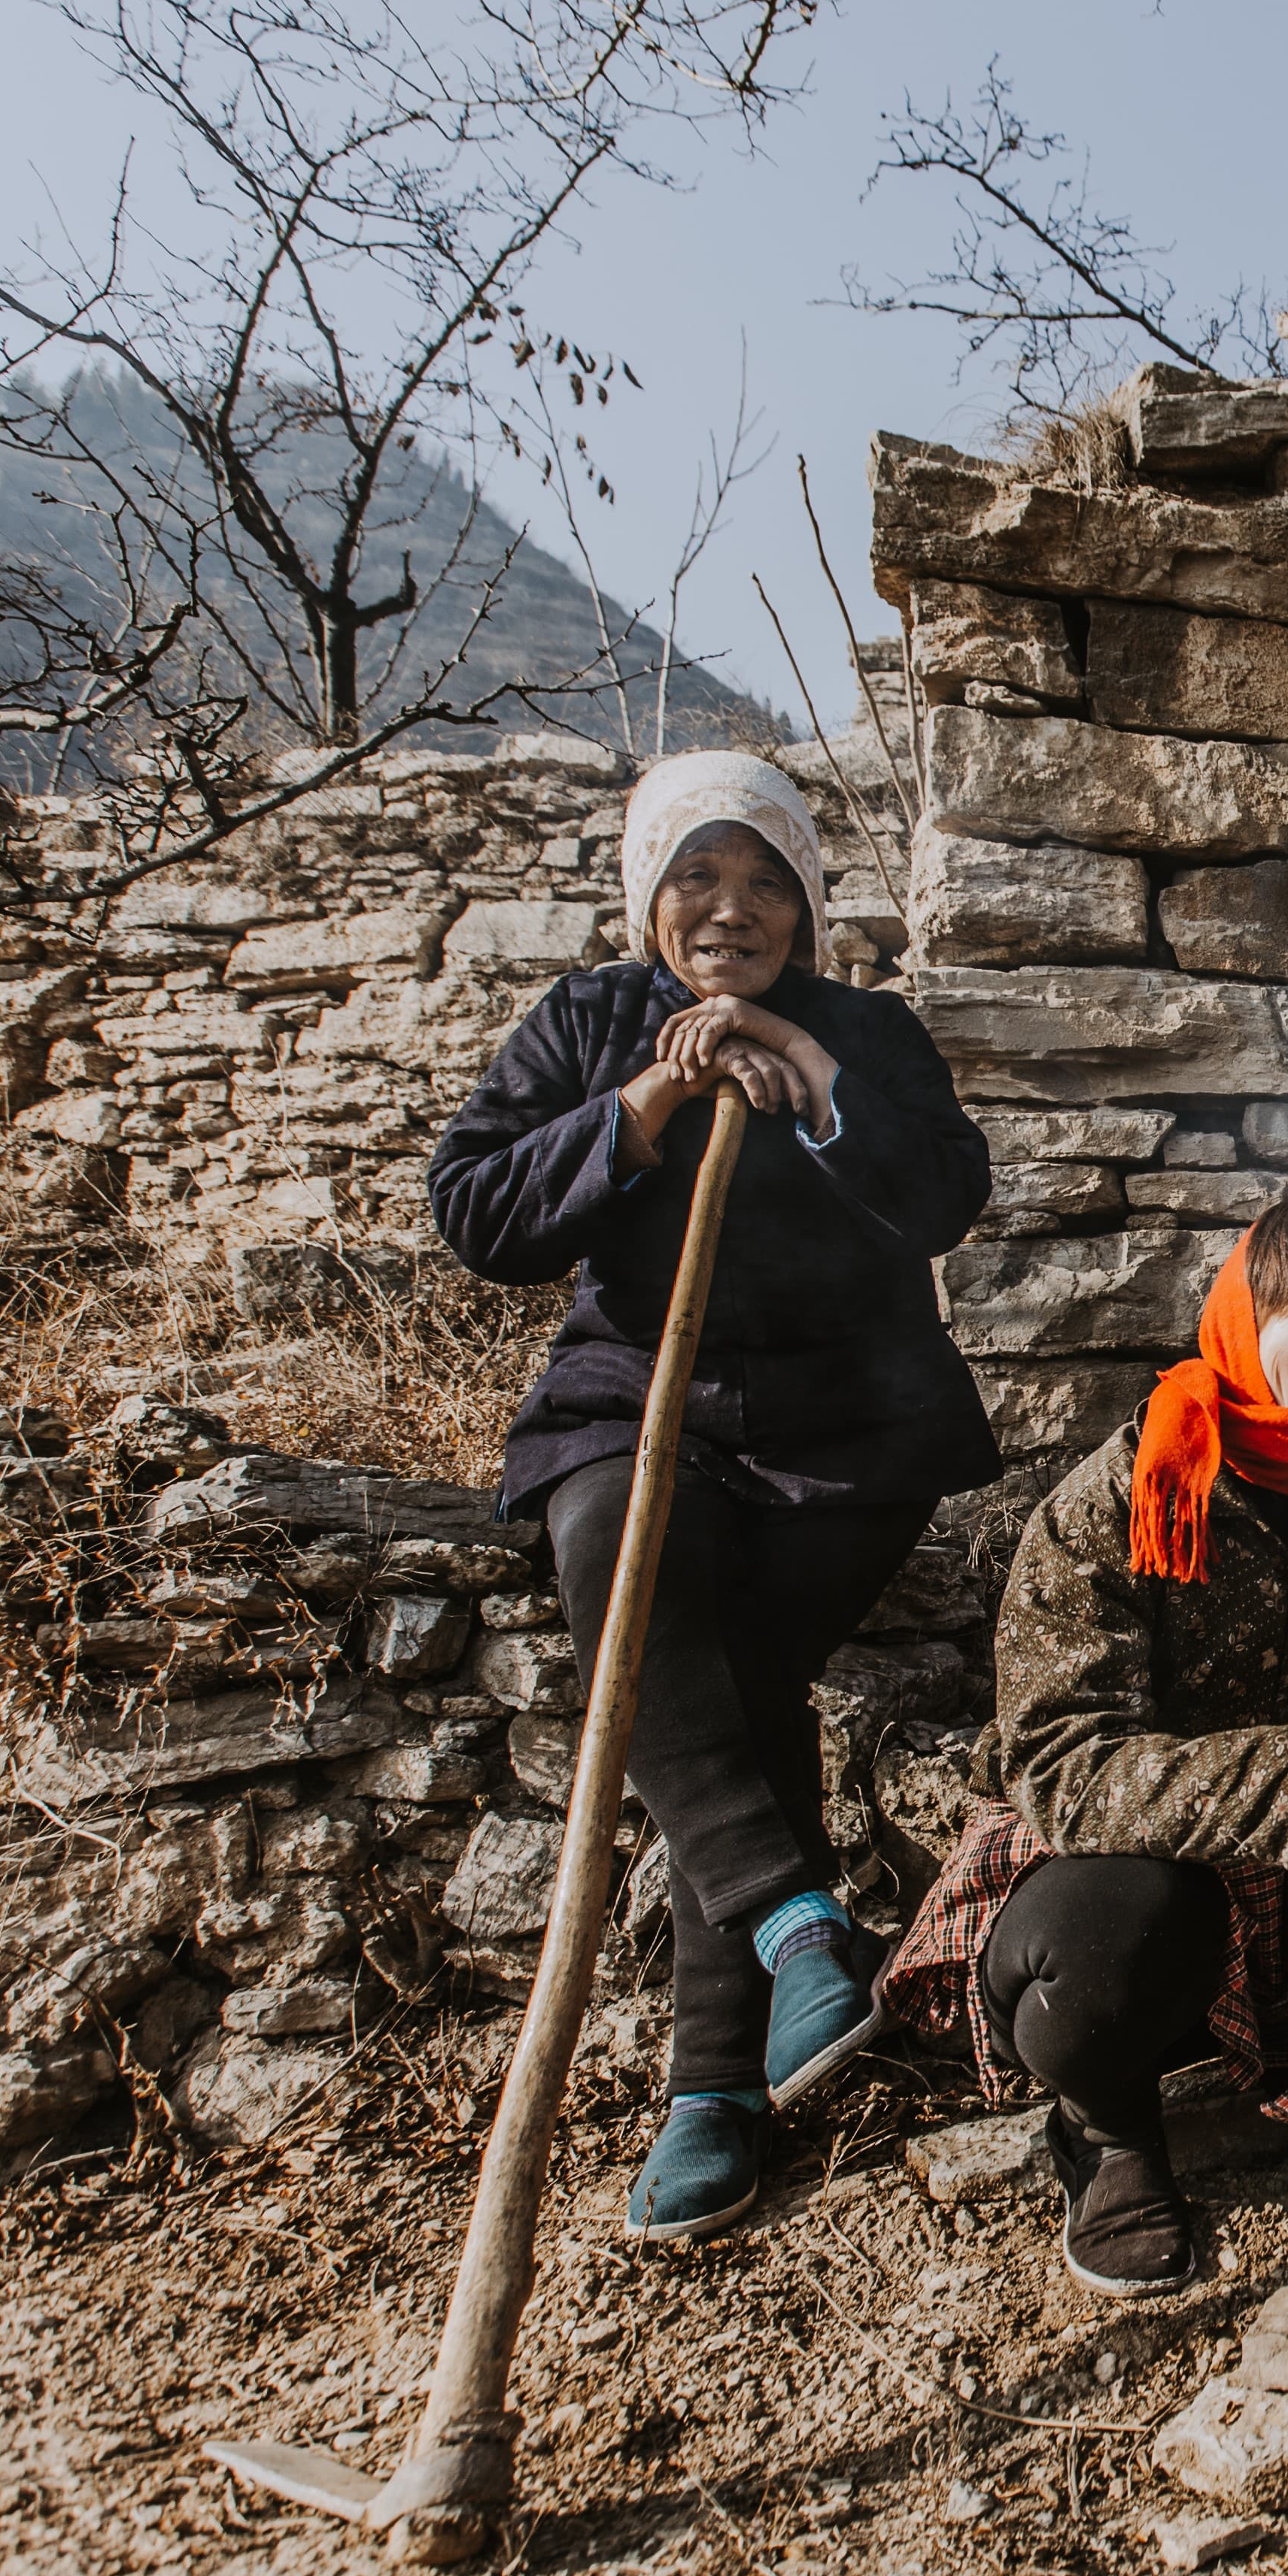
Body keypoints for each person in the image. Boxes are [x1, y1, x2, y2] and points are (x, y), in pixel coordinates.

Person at [429, 747, 1000, 2244]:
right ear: (649, 897)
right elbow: (477, 1211)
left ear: (808, 904)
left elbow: (944, 1195)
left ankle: (714, 2094)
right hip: (639, 1402)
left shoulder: (865, 1029)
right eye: (698, 875)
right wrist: (646, 1101)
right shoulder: (591, 1021)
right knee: (622, 1551)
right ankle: (792, 1956)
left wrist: (812, 1084)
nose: (732, 907)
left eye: (766, 880)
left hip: (852, 1422)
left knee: (731, 1685)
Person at [879, 1189, 1288, 2298]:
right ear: (1244, 1313)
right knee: (1135, 1924)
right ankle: (1108, 2128)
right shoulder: (1125, 1495)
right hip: (1106, 1876)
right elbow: (1059, 1762)